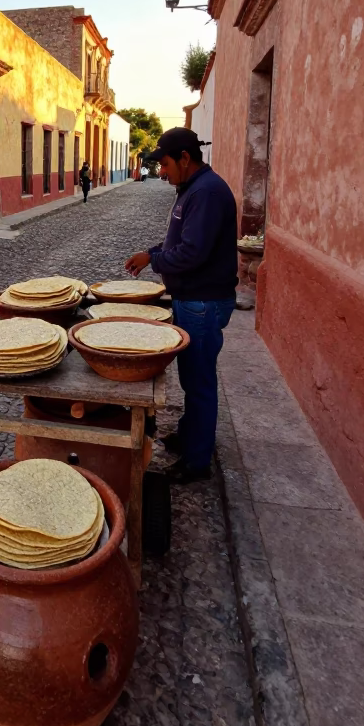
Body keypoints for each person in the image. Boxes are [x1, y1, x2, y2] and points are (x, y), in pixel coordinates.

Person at [125, 127, 237, 484]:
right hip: (193, 300)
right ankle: (191, 435)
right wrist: (154, 253)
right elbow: (180, 239)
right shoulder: (193, 188)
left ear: (185, 158)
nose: (162, 171)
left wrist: (154, 260)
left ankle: (196, 461)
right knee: (192, 377)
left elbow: (192, 252)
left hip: (203, 302)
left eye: (167, 164)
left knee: (200, 381)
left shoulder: (206, 193)